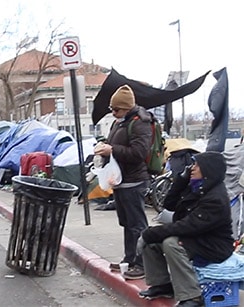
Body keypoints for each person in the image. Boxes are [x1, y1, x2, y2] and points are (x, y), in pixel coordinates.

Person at [137, 151, 234, 306]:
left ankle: (192, 296)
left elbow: (188, 226)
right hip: (197, 237)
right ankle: (162, 284)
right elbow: (169, 205)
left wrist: (150, 233)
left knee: (171, 243)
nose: (192, 168)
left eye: (196, 165)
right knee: (152, 242)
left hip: (214, 245)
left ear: (208, 170)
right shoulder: (197, 187)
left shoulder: (215, 198)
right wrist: (181, 180)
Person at [94, 84, 152, 280]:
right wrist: (105, 147)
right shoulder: (120, 122)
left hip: (134, 181)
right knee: (127, 223)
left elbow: (138, 153)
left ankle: (141, 263)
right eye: (112, 109)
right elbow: (117, 146)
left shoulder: (140, 123)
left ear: (127, 107)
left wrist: (112, 150)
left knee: (137, 225)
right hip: (121, 181)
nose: (113, 113)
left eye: (116, 109)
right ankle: (129, 260)